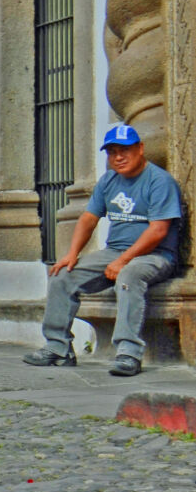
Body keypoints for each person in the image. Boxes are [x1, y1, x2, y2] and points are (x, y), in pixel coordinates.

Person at [25, 124, 183, 377]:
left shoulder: (159, 181)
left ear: (141, 149)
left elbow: (158, 231)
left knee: (129, 275)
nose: (118, 157)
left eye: (125, 150)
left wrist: (123, 261)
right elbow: (88, 218)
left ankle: (128, 354)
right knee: (62, 275)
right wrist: (72, 253)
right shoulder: (109, 180)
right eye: (112, 152)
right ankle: (58, 348)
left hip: (156, 256)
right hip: (115, 252)